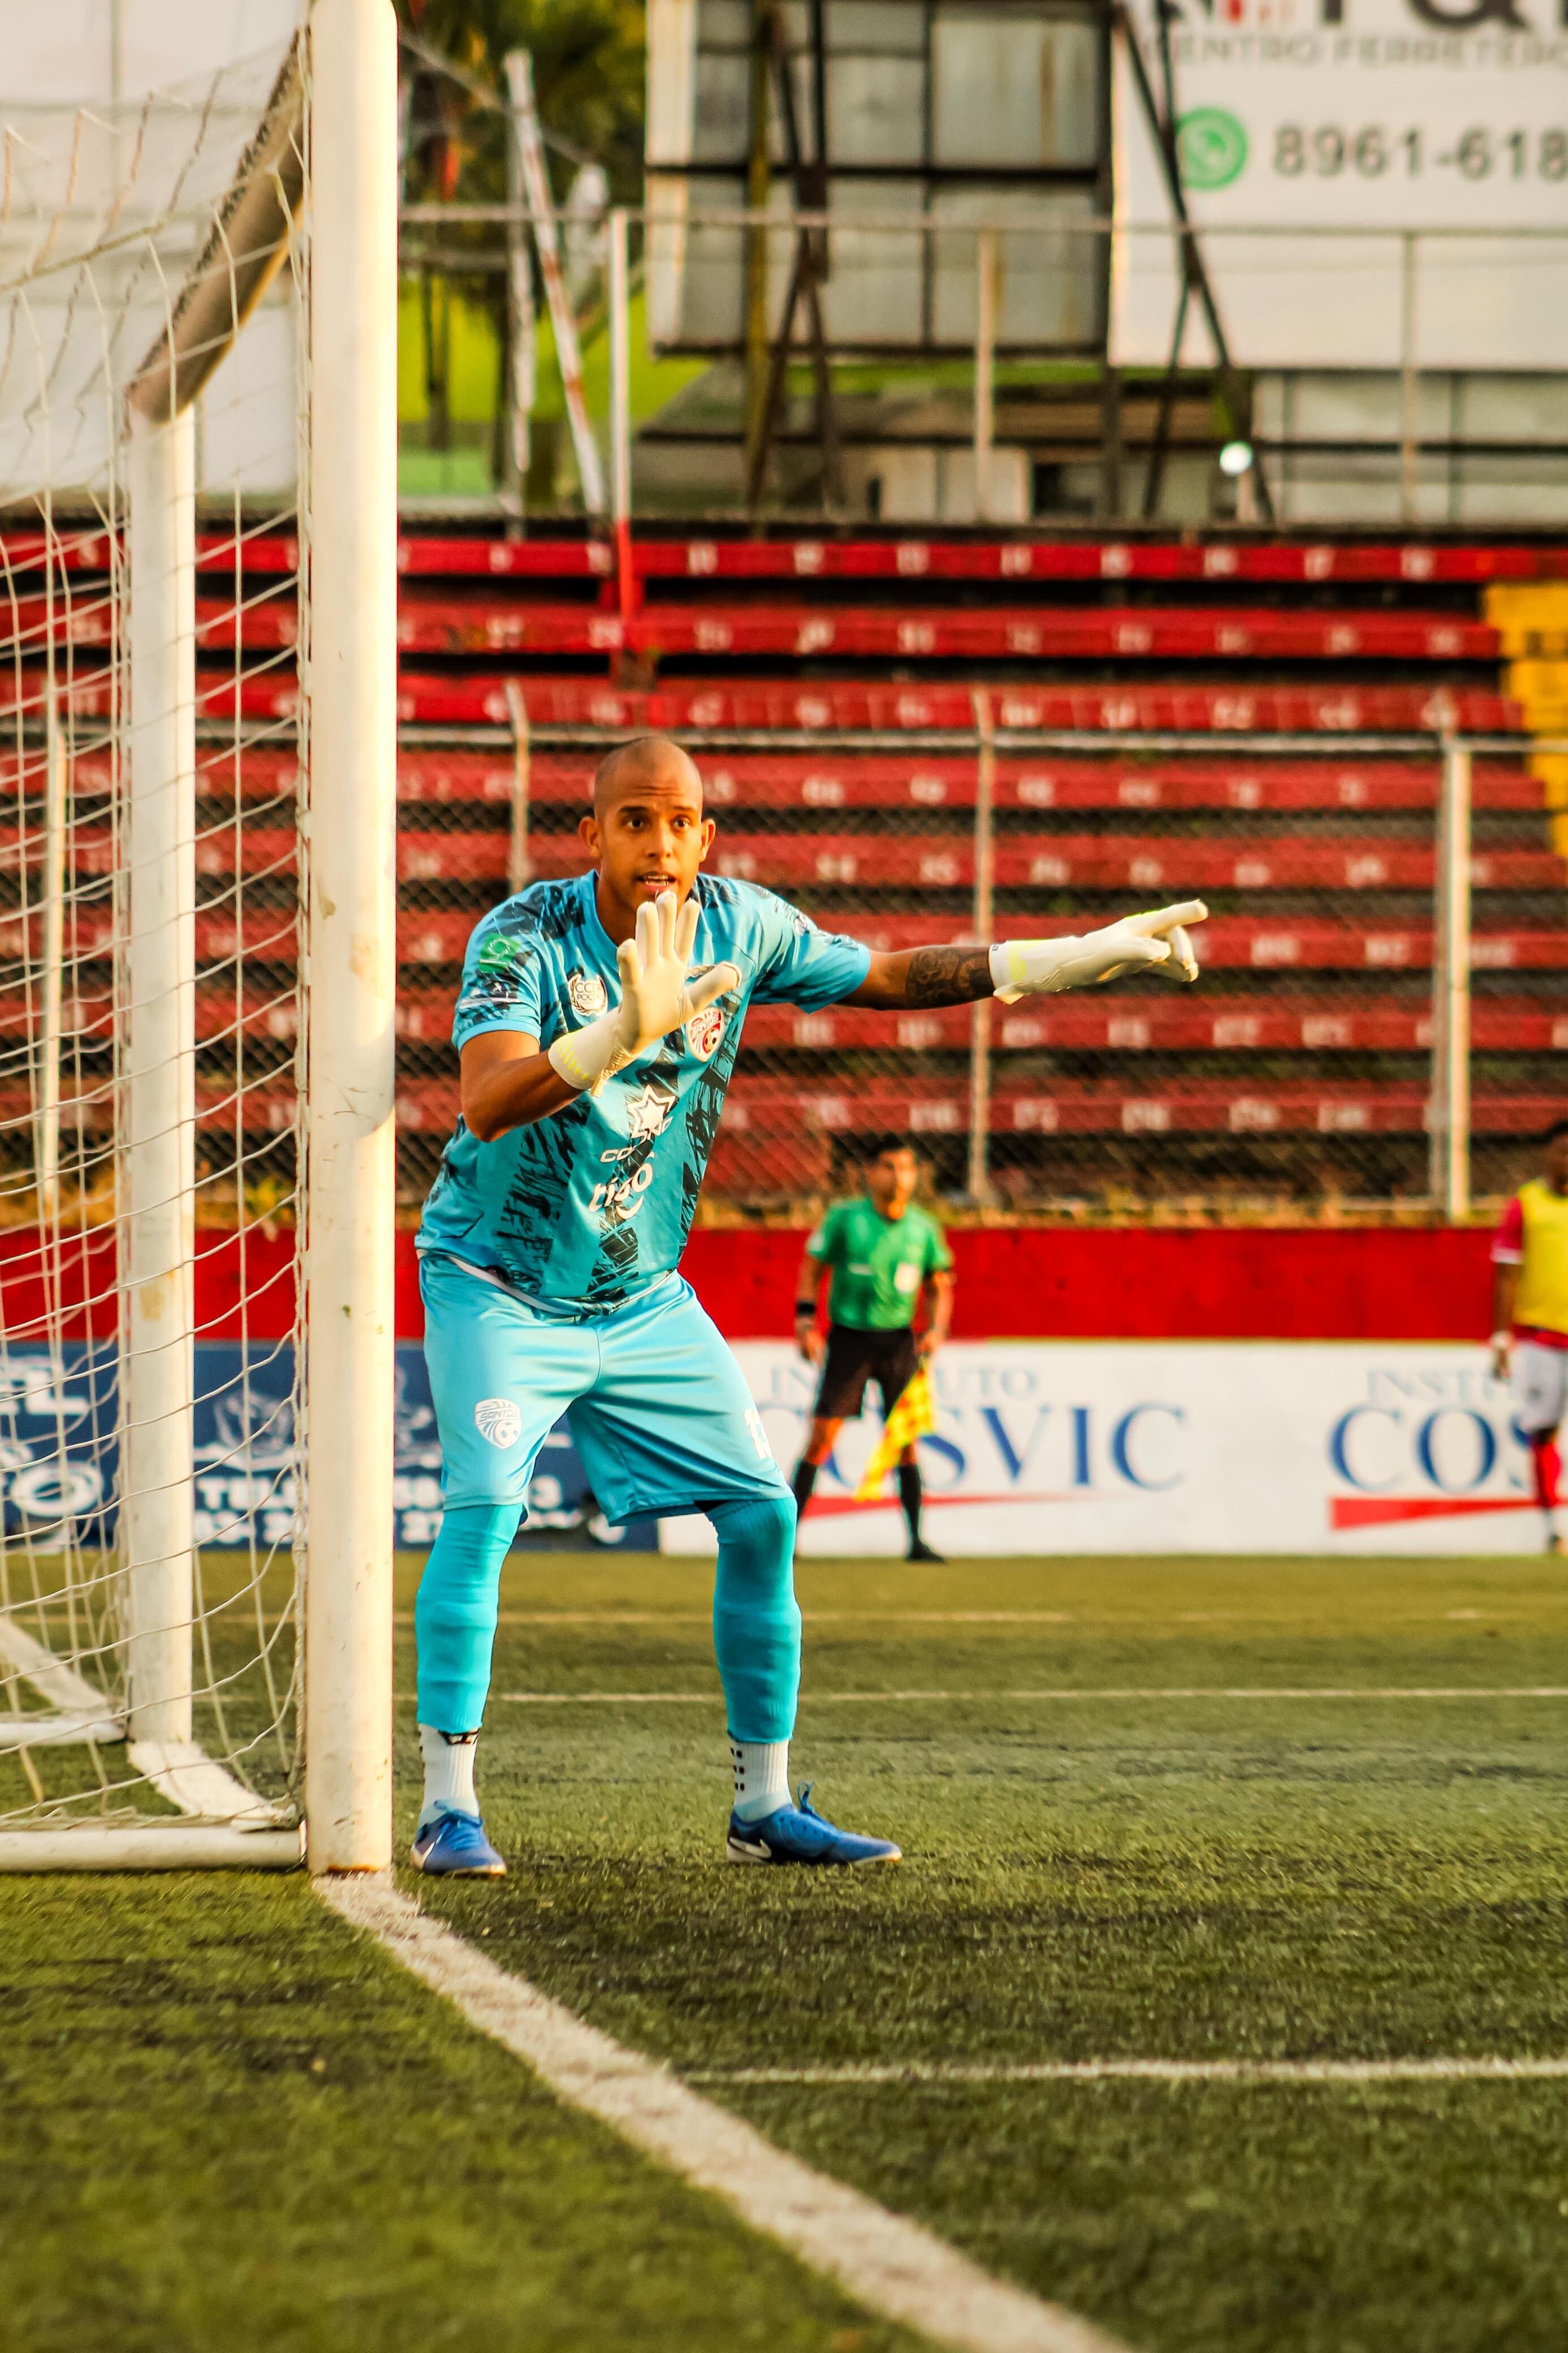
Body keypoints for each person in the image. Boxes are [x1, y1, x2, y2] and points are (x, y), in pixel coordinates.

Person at [410, 732, 1207, 1876]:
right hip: (500, 1284)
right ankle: (448, 1808)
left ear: (706, 837)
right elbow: (486, 1100)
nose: (658, 841)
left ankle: (765, 1804)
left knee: (763, 1515)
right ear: (588, 833)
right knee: (484, 1512)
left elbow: (885, 976)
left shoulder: (742, 924)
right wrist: (614, 1038)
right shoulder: (524, 936)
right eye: (633, 819)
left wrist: (1062, 958)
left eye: (679, 820)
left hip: (638, 1297)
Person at [790, 1141, 953, 1562]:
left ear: (916, 1175)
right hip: (849, 1338)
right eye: (888, 1167)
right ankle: (786, 1543)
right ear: (869, 1172)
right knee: (821, 1438)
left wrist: (935, 1329)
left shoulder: (923, 1227)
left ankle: (916, 1541)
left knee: (905, 1441)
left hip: (899, 1341)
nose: (898, 1176)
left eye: (905, 1168)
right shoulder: (846, 1218)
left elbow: (939, 1285)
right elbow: (812, 1268)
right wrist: (806, 1322)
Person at [1491, 1117, 1568, 1554]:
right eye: (1561, 1150)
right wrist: (1501, 1338)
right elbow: (1505, 1275)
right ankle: (1551, 1528)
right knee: (1543, 1430)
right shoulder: (1527, 1204)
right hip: (1542, 1339)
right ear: (1547, 1154)